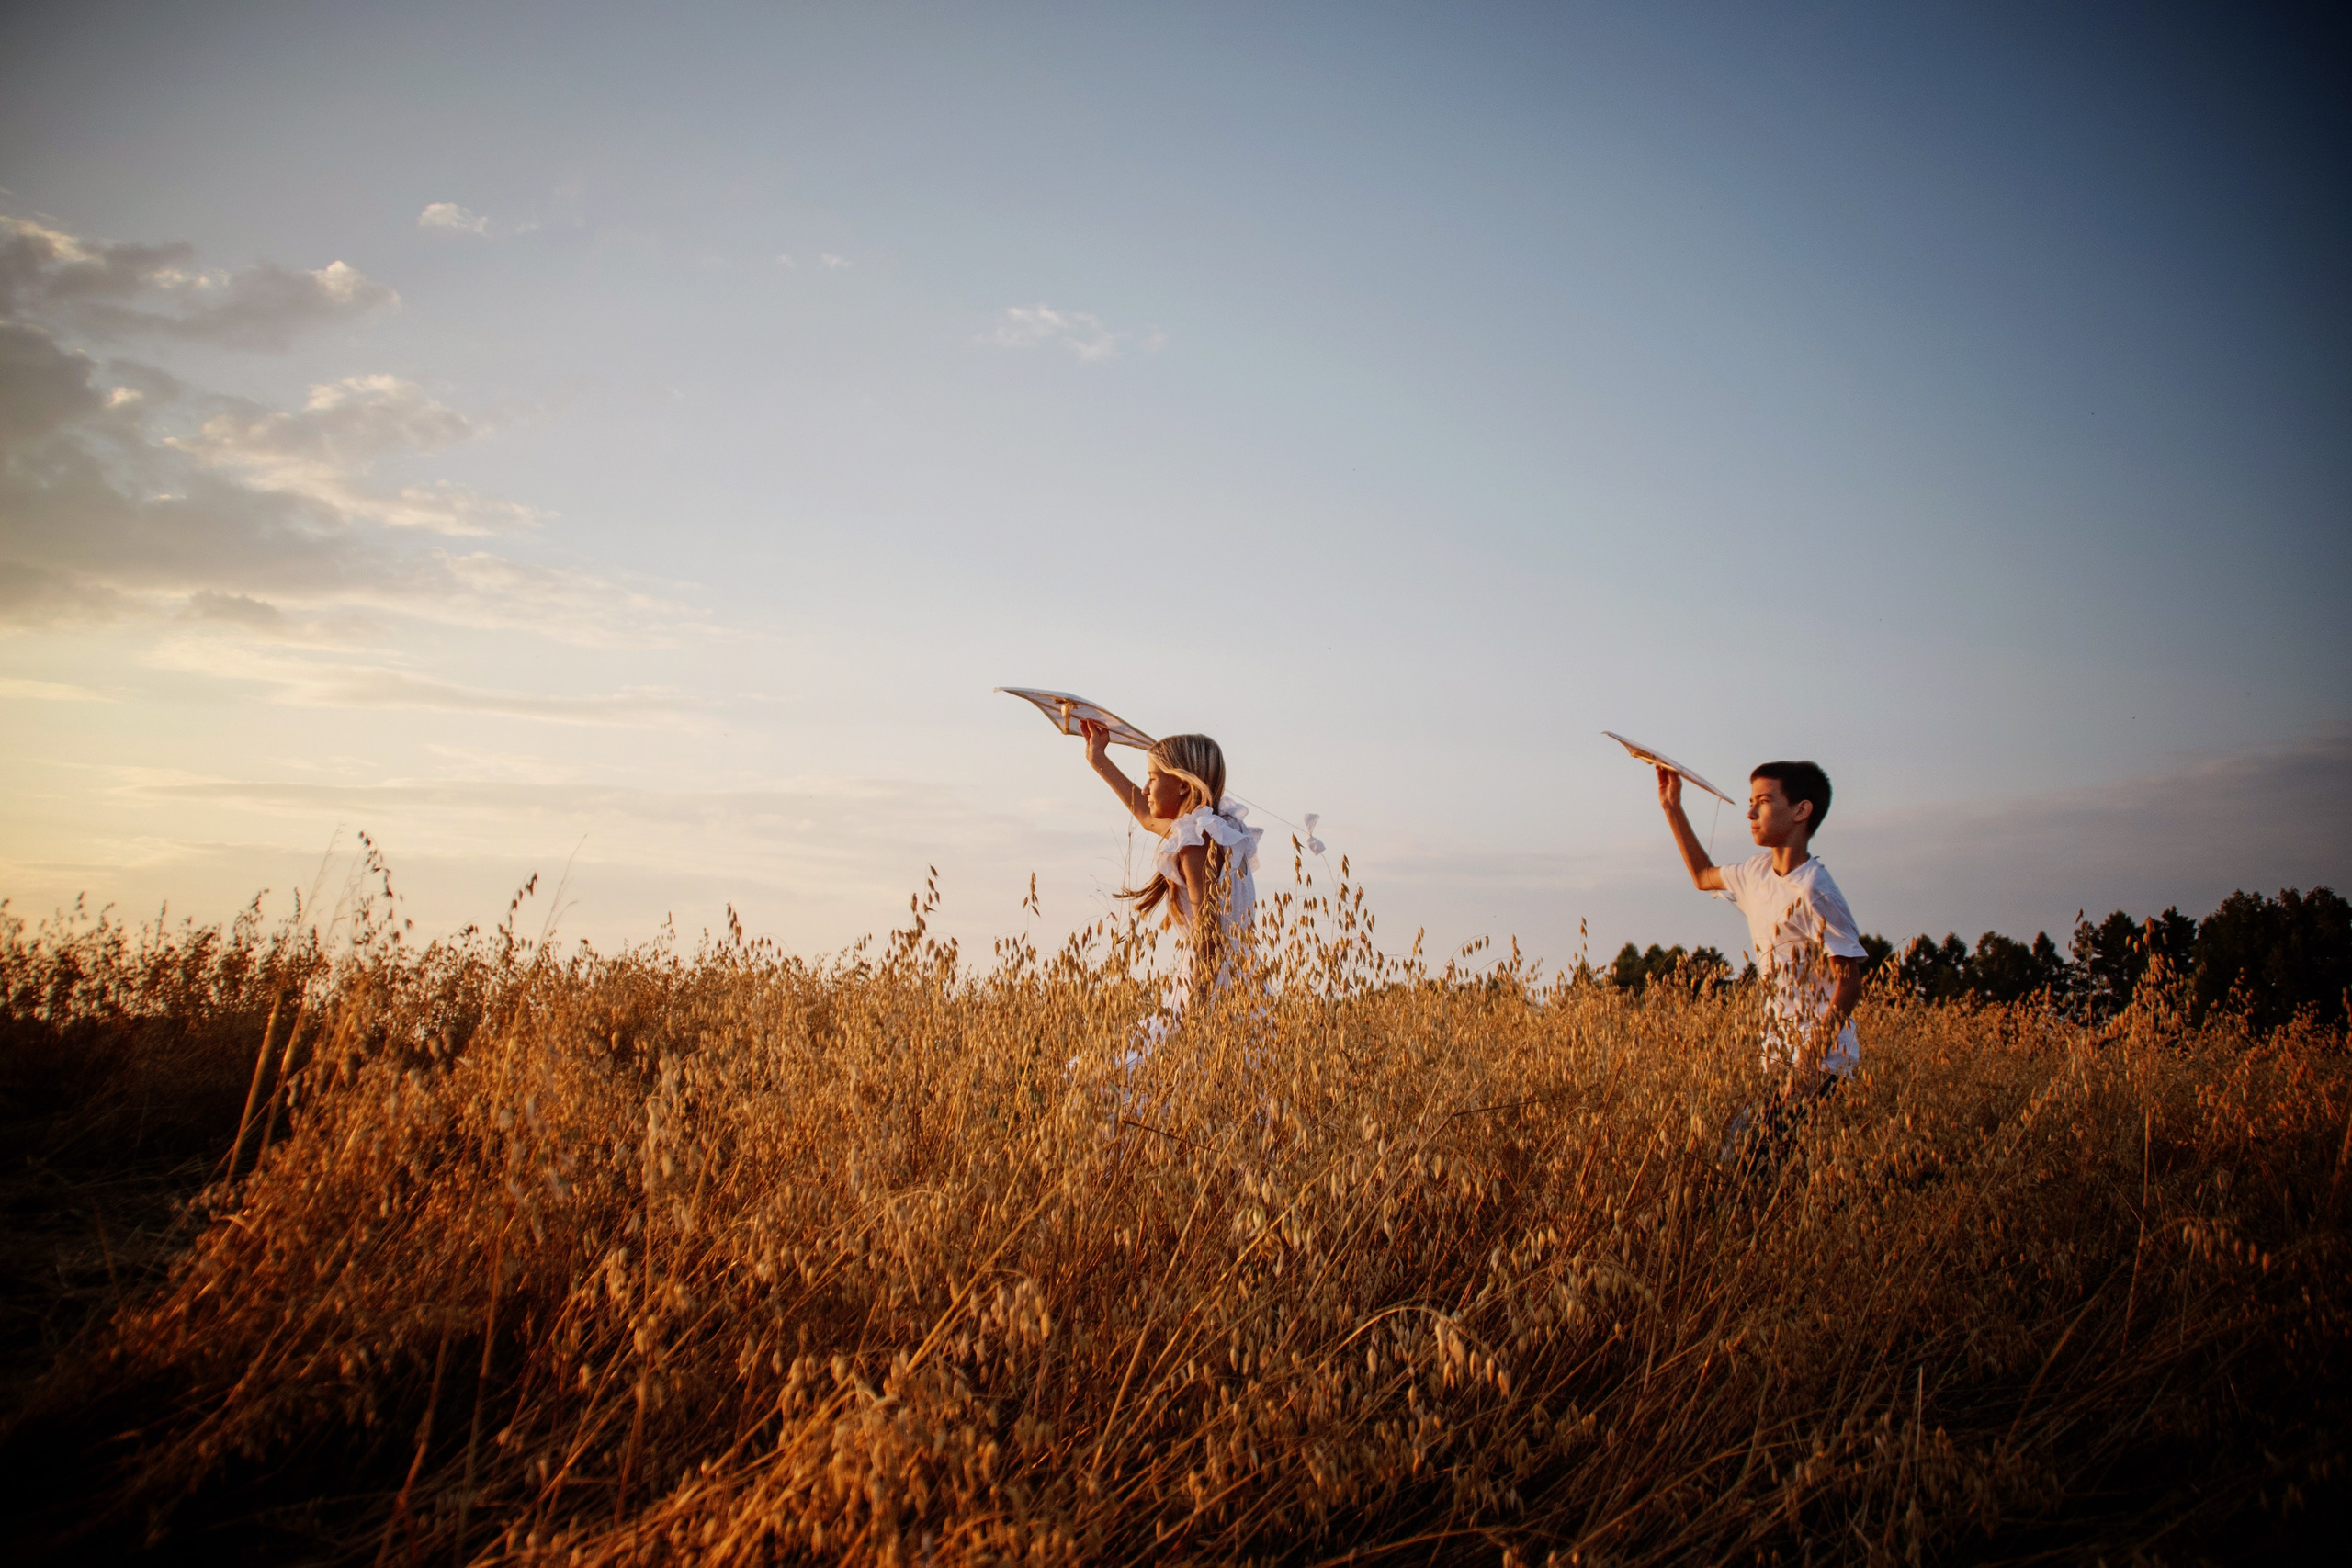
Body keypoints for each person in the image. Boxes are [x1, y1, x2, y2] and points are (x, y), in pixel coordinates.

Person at [1656, 760, 1866, 1177]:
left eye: (1764, 802)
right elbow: (1702, 876)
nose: (1750, 813)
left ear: (1801, 811)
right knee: (1761, 1174)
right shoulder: (1755, 872)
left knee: (1739, 1168)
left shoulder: (1815, 889)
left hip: (1820, 1064)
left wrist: (1807, 1061)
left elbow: (1850, 982)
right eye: (1751, 802)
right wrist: (1672, 807)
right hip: (1778, 1057)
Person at [1080, 720, 1262, 1018]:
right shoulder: (1218, 829)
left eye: (1152, 778)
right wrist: (1097, 757)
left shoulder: (1197, 844)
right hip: (1237, 982)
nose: (1145, 789)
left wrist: (1197, 1013)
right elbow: (1146, 816)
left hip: (1213, 986)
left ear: (1182, 784)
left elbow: (1208, 935)